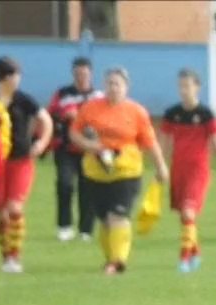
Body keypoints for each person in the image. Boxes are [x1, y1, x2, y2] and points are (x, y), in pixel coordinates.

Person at [69, 67, 169, 275]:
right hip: (96, 172)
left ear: (126, 87)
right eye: (110, 83)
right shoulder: (90, 108)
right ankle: (110, 259)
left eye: (118, 84)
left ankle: (118, 261)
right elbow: (74, 133)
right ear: (104, 86)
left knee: (119, 216)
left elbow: (150, 142)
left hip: (126, 172)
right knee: (105, 220)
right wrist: (90, 145)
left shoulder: (137, 112)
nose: (113, 88)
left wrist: (161, 166)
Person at [160, 68, 216, 273]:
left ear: (197, 87)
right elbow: (164, 142)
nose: (184, 90)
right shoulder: (171, 113)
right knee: (184, 217)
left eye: (188, 86)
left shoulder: (205, 114)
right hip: (178, 170)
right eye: (181, 86)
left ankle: (183, 258)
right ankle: (195, 252)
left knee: (188, 211)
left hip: (198, 170)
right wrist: (161, 166)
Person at [0, 56, 53, 274]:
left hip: (21, 160)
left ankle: (15, 256)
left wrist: (41, 142)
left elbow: (45, 120)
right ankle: (5, 255)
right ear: (5, 78)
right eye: (15, 75)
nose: (18, 79)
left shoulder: (24, 100)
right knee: (1, 212)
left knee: (14, 207)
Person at [47, 56, 104, 243]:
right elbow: (50, 115)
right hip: (65, 148)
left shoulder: (99, 97)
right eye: (78, 73)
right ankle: (64, 226)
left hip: (89, 150)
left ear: (91, 74)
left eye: (85, 73)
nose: (81, 77)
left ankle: (86, 230)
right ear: (73, 74)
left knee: (87, 188)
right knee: (65, 184)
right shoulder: (62, 94)